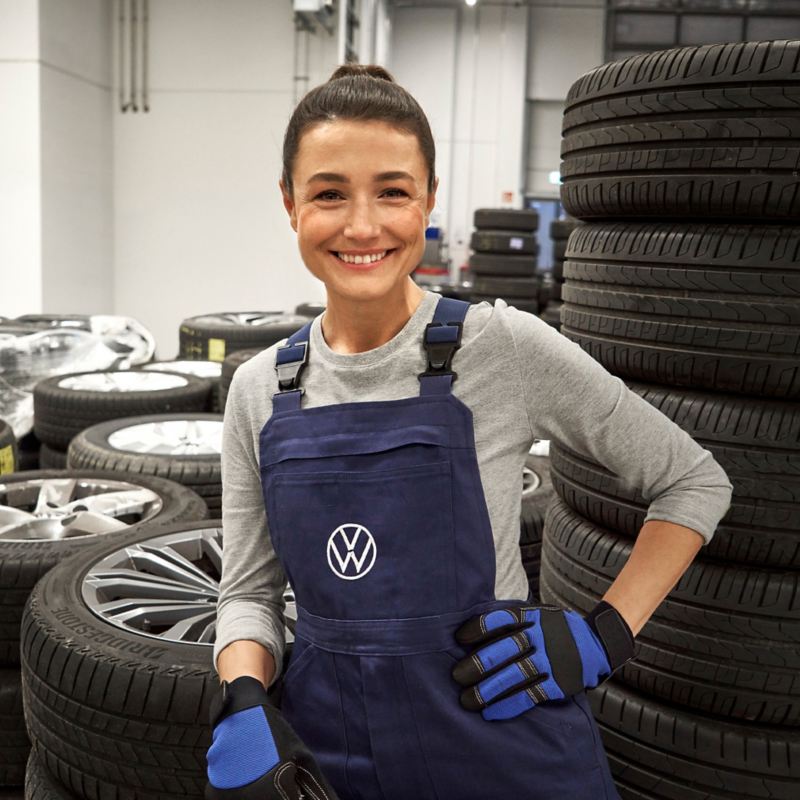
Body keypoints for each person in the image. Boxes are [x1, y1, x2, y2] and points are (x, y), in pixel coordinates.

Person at [205, 65, 733, 800]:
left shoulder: (500, 348)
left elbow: (693, 481)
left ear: (428, 200)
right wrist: (243, 696)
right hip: (331, 750)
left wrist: (605, 635)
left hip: (502, 741)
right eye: (330, 194)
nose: (363, 225)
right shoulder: (259, 389)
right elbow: (250, 593)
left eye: (392, 191)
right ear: (291, 205)